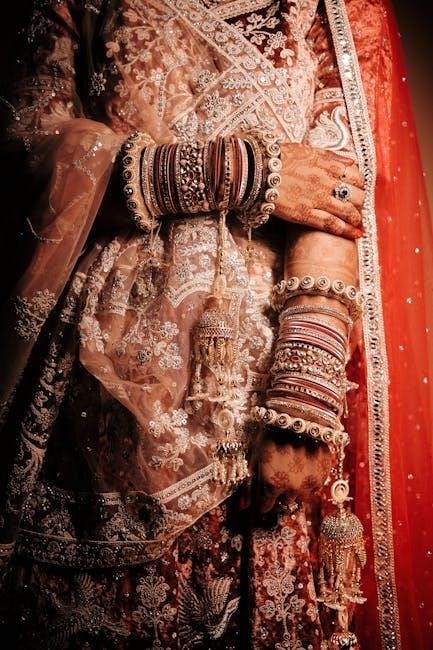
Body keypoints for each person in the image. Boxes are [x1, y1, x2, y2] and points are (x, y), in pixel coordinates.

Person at [0, 0, 432, 647]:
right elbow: (24, 154)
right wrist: (244, 172)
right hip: (104, 403)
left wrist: (306, 394)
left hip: (268, 404)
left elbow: (340, 196)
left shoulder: (336, 10)